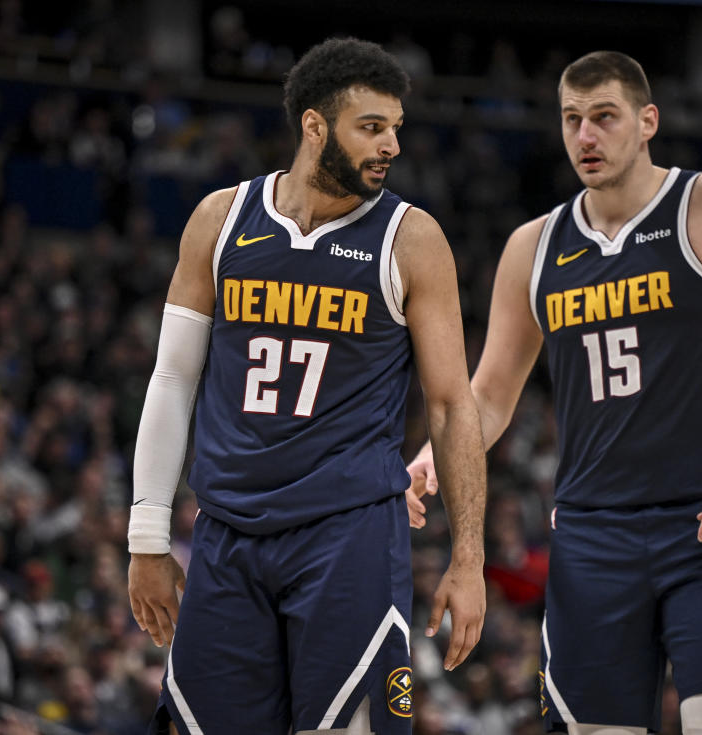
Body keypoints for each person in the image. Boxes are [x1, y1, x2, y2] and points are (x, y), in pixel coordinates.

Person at [407, 50, 702, 735]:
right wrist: (437, 453)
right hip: (592, 533)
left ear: (647, 122)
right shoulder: (535, 247)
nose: (585, 136)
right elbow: (488, 394)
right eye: (571, 119)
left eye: (603, 117)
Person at [126, 37, 487, 735]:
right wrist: (146, 535)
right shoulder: (221, 218)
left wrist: (468, 557)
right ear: (315, 125)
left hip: (349, 531)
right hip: (228, 531)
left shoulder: (410, 239)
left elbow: (449, 403)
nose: (391, 147)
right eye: (371, 128)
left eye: (396, 130)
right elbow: (173, 377)